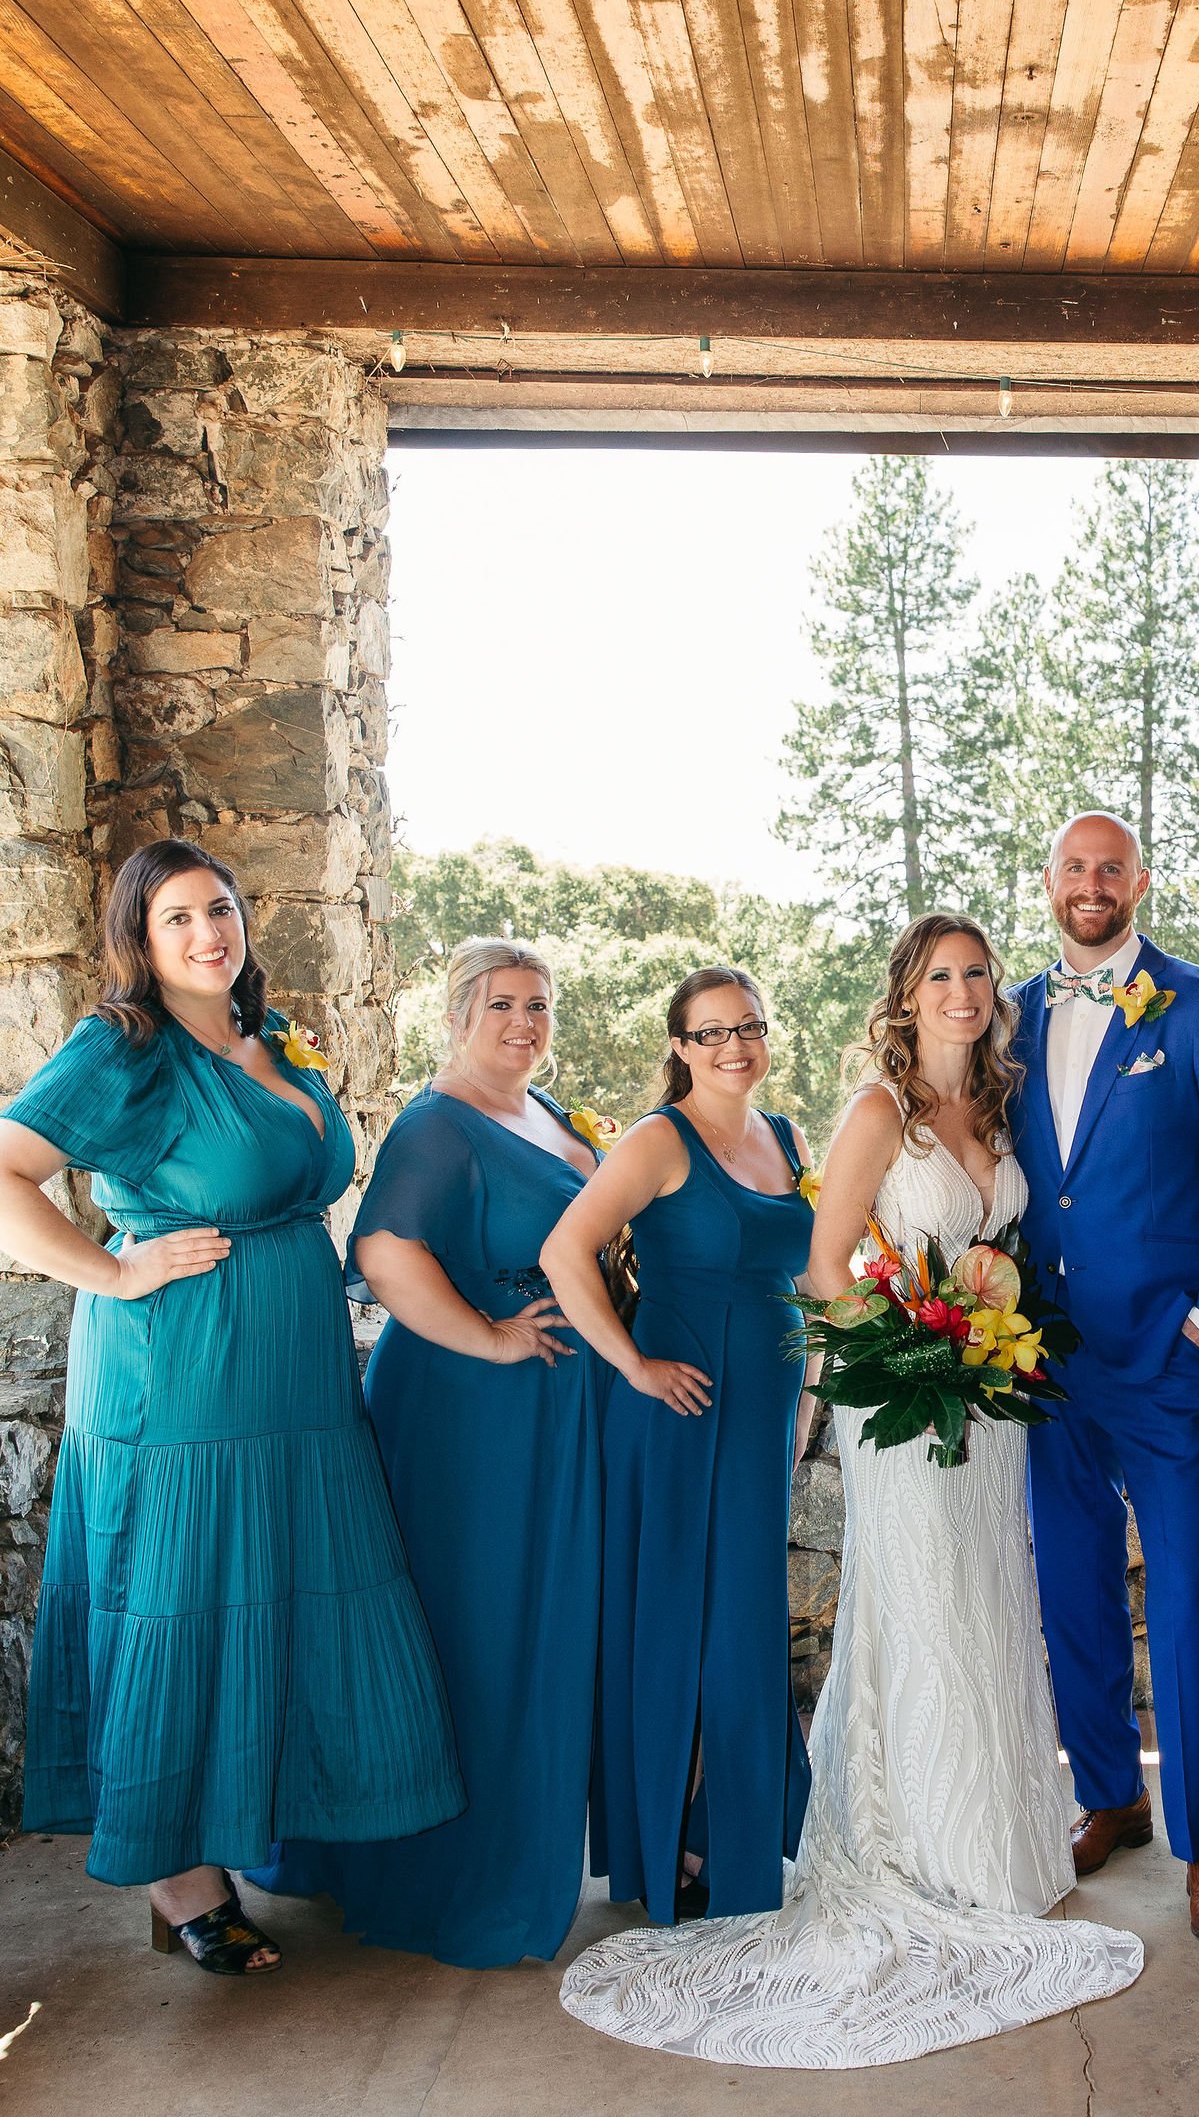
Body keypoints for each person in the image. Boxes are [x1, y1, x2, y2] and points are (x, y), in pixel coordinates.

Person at [557, 914, 1142, 2066]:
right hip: (908, 1396)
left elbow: (1005, 1245)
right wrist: (930, 1344)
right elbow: (827, 1269)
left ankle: (996, 1845)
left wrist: (988, 1337)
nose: (963, 991)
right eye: (940, 975)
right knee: (917, 1614)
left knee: (984, 1609)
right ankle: (916, 1855)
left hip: (989, 1401)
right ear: (905, 994)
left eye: (976, 973)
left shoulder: (1000, 1108)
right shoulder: (876, 1111)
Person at [0, 838, 461, 1975]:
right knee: (185, 1589)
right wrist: (112, 1270)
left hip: (297, 1373)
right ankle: (179, 1878)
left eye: (220, 909)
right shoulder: (122, 1048)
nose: (209, 933)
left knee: (291, 1584)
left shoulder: (270, 1039)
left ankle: (282, 1825)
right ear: (139, 942)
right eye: (178, 919)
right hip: (183, 1371)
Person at [256, 941, 609, 1968]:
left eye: (538, 1004)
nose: (522, 1021)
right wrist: (492, 1335)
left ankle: (511, 1841)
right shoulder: (435, 1120)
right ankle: (450, 1870)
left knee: (528, 1623)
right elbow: (383, 1251)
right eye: (501, 1003)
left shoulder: (541, 1113)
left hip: (547, 1409)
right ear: (458, 1013)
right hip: (467, 1414)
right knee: (475, 1625)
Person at [1011, 813, 1199, 1943]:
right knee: (1070, 1585)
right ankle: (1106, 1793)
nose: (1091, 884)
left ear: (1139, 881)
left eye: (1109, 867)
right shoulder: (1015, 1009)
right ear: (1050, 881)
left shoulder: (1197, 1000)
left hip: (1165, 1354)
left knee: (1181, 1592)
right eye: (1073, 867)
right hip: (1038, 1355)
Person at [541, 968, 812, 1925]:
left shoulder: (783, 1136)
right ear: (680, 1048)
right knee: (682, 1623)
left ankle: (725, 1832)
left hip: (764, 1411)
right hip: (680, 1411)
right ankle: (679, 1844)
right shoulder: (658, 1139)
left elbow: (806, 1279)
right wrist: (632, 1363)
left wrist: (809, 1397)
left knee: (743, 1619)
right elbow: (565, 1252)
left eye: (748, 1027)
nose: (733, 1046)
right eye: (710, 1033)